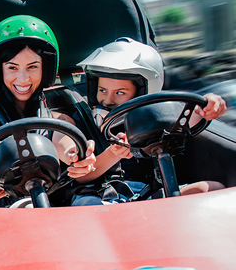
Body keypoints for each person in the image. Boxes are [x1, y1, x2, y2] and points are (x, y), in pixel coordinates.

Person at [0, 14, 96, 206]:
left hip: (38, 194)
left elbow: (65, 142)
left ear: (45, 69)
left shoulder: (54, 115)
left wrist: (78, 157)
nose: (23, 79)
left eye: (32, 67)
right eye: (12, 67)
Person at [69, 37, 227, 205]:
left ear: (143, 92)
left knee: (213, 188)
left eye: (120, 92)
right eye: (102, 90)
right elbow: (81, 177)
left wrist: (210, 103)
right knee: (90, 204)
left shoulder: (157, 117)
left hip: (147, 197)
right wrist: (112, 155)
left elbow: (191, 117)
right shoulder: (83, 120)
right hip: (96, 197)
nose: (108, 100)